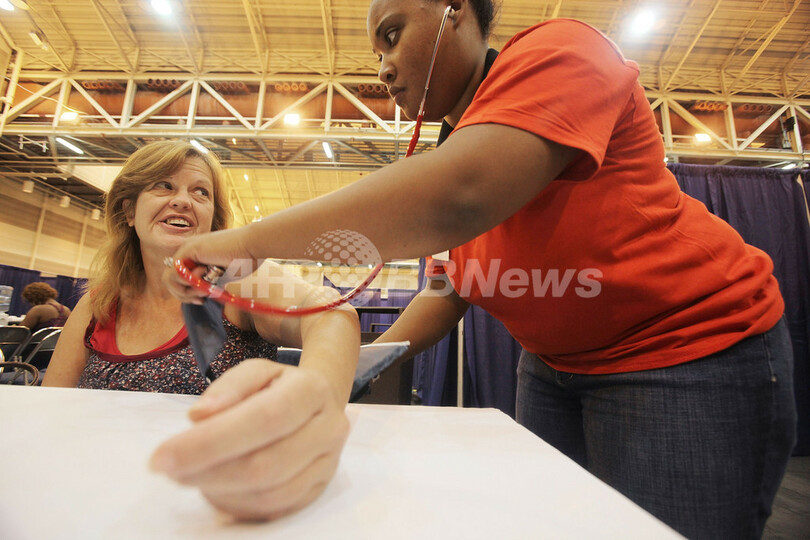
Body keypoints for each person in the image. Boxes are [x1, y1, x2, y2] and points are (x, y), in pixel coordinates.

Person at [163, 1, 797, 537]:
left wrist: (243, 244)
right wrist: (366, 359)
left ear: (454, 12)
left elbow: (457, 195)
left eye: (392, 34)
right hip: (552, 369)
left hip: (687, 352)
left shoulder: (559, 51)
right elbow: (447, 288)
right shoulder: (460, 144)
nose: (382, 68)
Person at [43, 140, 360, 520]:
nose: (182, 200)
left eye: (200, 192)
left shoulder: (234, 282)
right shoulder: (95, 306)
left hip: (217, 507)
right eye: (163, 186)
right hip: (96, 500)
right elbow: (47, 413)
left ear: (213, 221)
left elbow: (330, 312)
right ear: (129, 210)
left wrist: (317, 397)